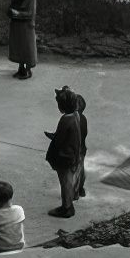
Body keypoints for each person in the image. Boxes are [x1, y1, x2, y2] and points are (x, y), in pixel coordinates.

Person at [44, 87, 81, 218]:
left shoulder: (66, 119)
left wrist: (53, 138)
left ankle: (67, 208)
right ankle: (70, 201)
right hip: (73, 154)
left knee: (65, 182)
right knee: (69, 180)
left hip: (65, 156)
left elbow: (59, 140)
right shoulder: (76, 115)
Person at [8, 0, 37, 80]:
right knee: (18, 46)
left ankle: (28, 69)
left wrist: (19, 13)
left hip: (26, 24)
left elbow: (31, 12)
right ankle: (21, 68)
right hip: (16, 23)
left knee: (27, 47)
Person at [74, 93, 88, 200]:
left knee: (74, 172)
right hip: (82, 149)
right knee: (80, 170)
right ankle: (80, 189)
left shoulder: (72, 120)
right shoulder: (83, 118)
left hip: (74, 150)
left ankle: (75, 192)